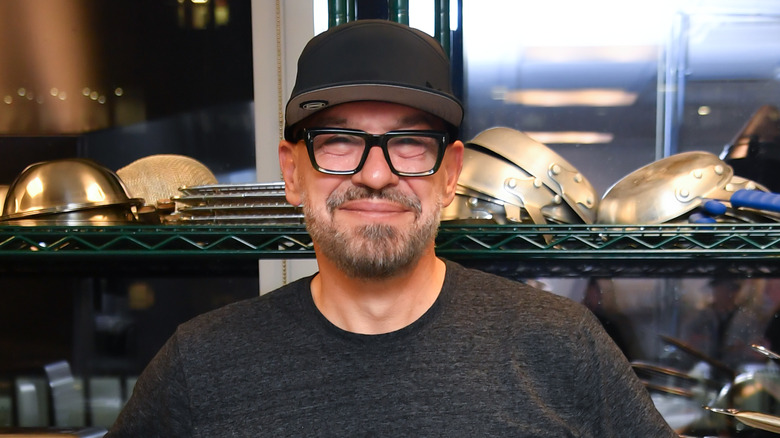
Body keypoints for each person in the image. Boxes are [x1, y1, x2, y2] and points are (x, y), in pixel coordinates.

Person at [106, 20, 676, 437]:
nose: (375, 174)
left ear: (450, 173)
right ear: (292, 173)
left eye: (408, 142)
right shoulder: (201, 365)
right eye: (338, 142)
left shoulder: (562, 345)